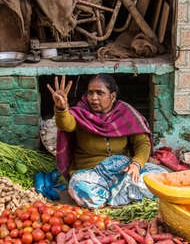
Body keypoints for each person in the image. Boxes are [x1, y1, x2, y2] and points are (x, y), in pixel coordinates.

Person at [47, 74, 166, 208]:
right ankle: (121, 194)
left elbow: (142, 143)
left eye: (100, 93)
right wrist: (62, 109)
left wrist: (136, 164)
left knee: (162, 179)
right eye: (90, 93)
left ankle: (111, 195)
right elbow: (66, 124)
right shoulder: (80, 113)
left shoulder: (125, 113)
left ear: (113, 96)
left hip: (123, 170)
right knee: (81, 189)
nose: (94, 98)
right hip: (90, 173)